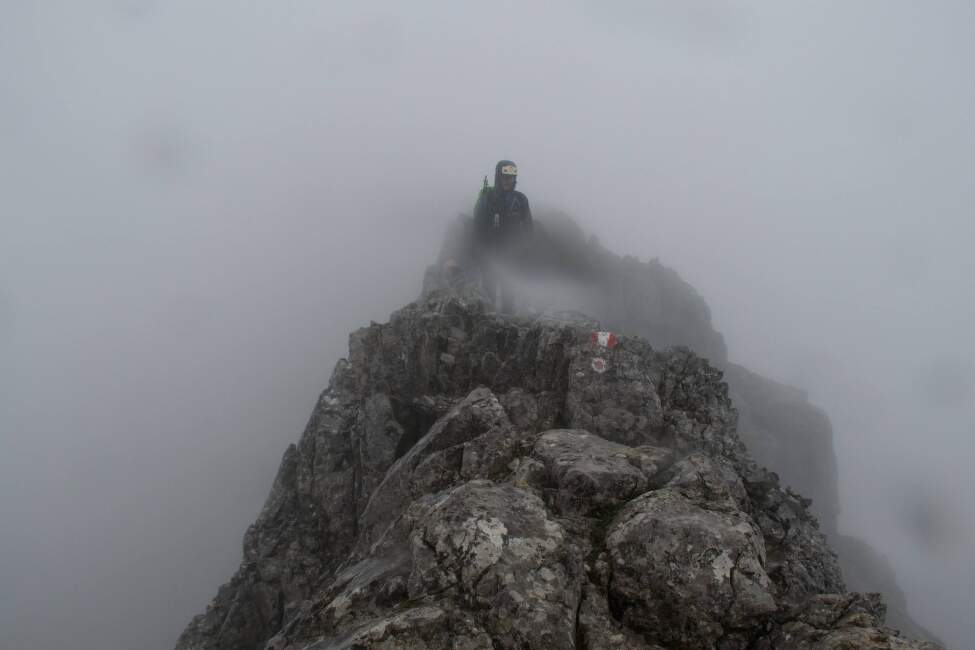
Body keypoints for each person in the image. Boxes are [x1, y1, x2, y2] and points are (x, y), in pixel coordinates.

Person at [472, 160, 533, 313]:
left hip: (512, 256)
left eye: (511, 178)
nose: (508, 181)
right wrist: (479, 253)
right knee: (489, 293)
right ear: (498, 177)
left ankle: (508, 322)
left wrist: (527, 249)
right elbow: (477, 229)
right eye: (505, 177)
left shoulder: (520, 199)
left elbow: (528, 227)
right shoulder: (487, 199)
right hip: (490, 255)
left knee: (509, 295)